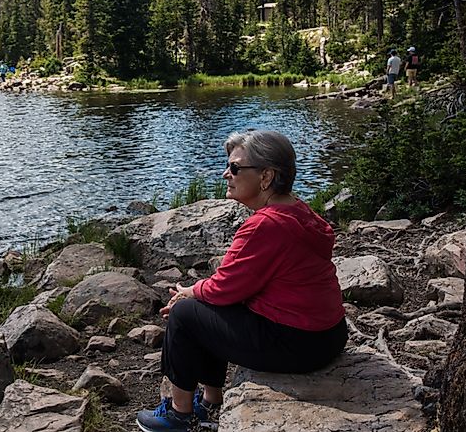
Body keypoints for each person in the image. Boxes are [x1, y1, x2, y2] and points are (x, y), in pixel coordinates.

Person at [136, 130, 348, 432]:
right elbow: (233, 286)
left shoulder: (265, 225)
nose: (226, 174)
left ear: (266, 177)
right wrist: (198, 294)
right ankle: (210, 401)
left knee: (185, 314)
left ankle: (179, 416)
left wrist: (188, 293)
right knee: (206, 306)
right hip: (329, 335)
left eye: (235, 168)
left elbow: (222, 289)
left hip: (298, 344)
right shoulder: (298, 211)